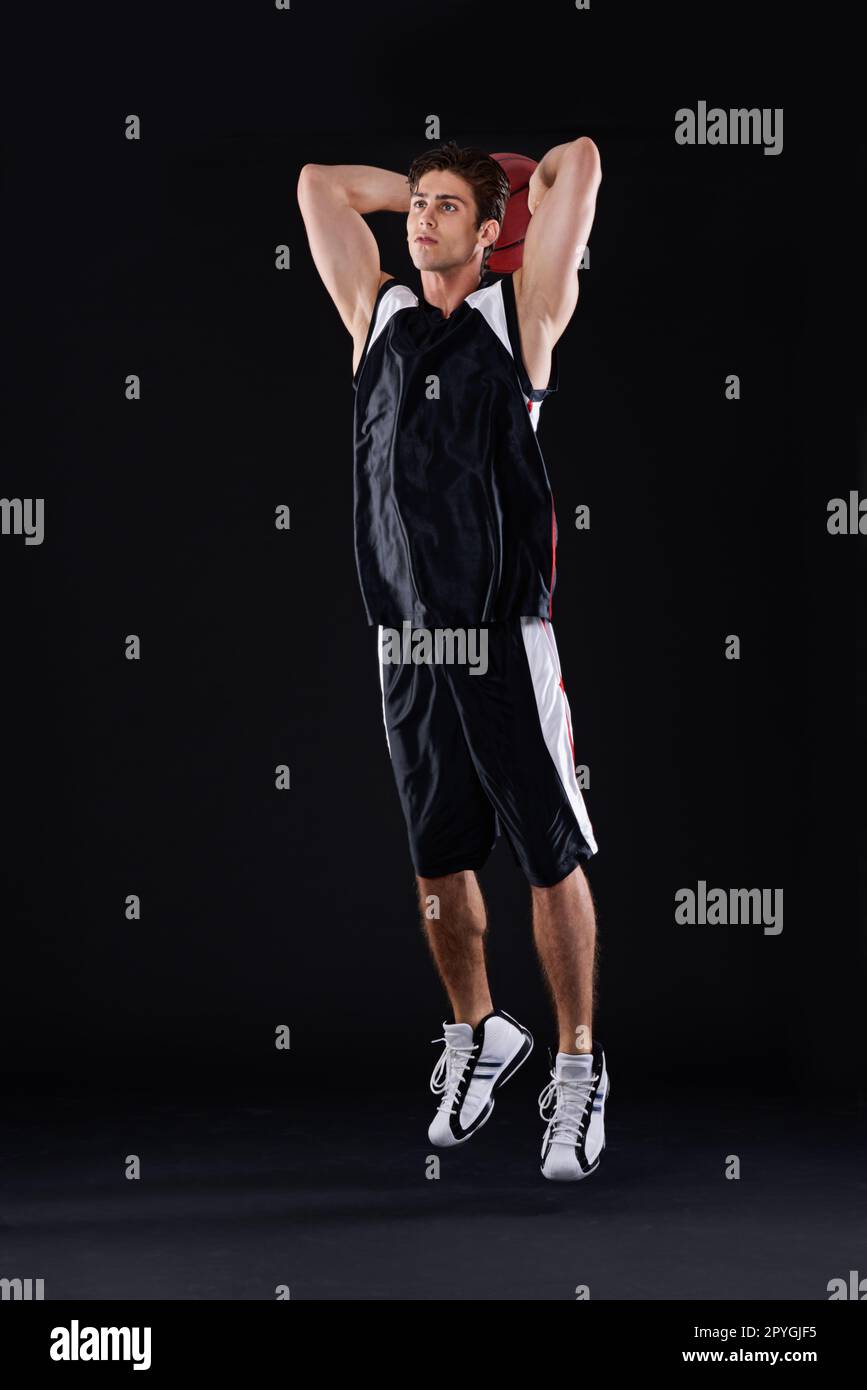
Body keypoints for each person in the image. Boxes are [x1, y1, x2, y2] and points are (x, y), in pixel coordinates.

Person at [297, 138, 608, 1180]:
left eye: (441, 209)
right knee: (439, 860)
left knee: (547, 854)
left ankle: (575, 1068)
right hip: (406, 642)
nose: (416, 220)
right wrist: (426, 188)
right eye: (414, 206)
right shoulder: (376, 316)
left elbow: (580, 162)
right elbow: (320, 187)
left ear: (490, 233)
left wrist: (507, 188)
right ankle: (482, 1033)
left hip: (503, 634)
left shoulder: (522, 318)